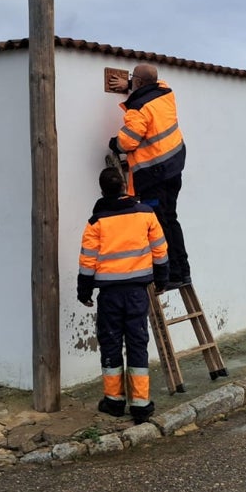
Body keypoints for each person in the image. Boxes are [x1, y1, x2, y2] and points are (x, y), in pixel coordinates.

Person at [77, 166, 170, 424]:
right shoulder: (145, 214)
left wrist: (83, 292)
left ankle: (114, 401)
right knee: (137, 343)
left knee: (111, 345)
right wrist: (162, 280)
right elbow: (160, 250)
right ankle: (140, 404)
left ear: (102, 190)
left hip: (109, 296)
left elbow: (87, 262)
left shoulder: (96, 222)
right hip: (138, 293)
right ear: (123, 188)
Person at [108, 63, 191, 287]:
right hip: (174, 168)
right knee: (171, 218)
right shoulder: (166, 93)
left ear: (140, 83)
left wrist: (114, 144)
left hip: (156, 176)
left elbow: (127, 142)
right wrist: (130, 85)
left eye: (134, 78)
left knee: (160, 223)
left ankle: (172, 274)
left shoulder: (139, 109)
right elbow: (153, 83)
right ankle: (183, 271)